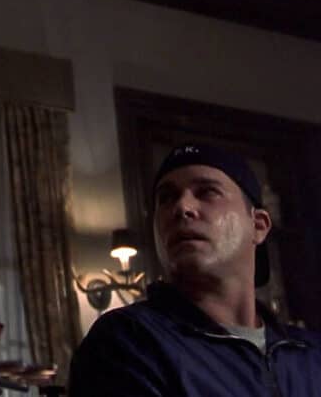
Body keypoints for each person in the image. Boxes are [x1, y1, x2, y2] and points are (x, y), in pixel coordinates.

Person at [68, 143, 321, 396]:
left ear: (258, 225)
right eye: (166, 198)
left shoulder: (308, 352)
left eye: (207, 192)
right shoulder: (129, 341)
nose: (182, 207)